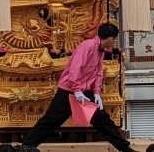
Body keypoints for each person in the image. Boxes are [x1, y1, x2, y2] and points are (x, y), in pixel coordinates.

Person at [22, 23, 135, 152]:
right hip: (69, 90)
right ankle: (26, 146)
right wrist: (76, 90)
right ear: (109, 38)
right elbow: (75, 68)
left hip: (85, 92)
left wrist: (96, 93)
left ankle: (125, 149)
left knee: (102, 120)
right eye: (114, 39)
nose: (114, 42)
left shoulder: (100, 51)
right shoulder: (87, 46)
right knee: (51, 120)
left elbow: (98, 73)